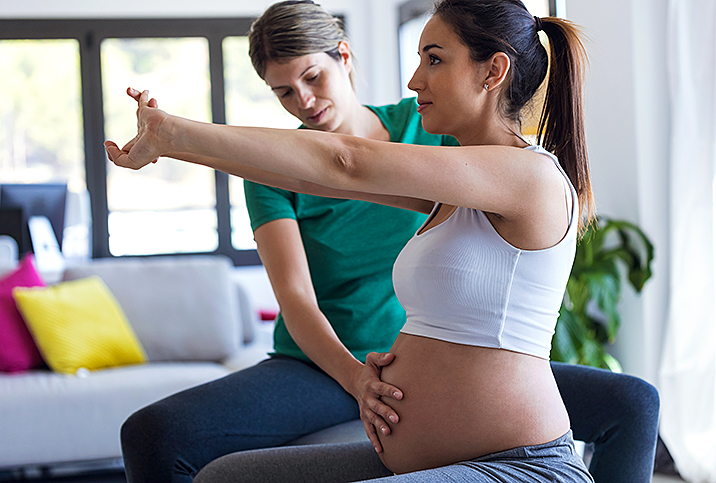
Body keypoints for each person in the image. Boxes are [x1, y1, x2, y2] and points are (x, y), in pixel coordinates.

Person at [115, 1, 658, 482]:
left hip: (514, 463)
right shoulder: (457, 187)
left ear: (493, 71)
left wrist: (175, 131)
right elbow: (314, 177)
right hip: (417, 448)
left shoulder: (527, 177)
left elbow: (346, 163)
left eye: (434, 59)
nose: (414, 80)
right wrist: (169, 148)